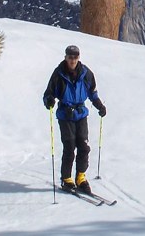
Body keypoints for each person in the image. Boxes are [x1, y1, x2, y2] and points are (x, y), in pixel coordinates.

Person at [43, 45, 107, 195]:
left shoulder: (86, 74)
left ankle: (80, 177)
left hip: (80, 114)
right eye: (70, 57)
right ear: (66, 57)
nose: (72, 60)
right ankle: (66, 179)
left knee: (83, 146)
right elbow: (48, 93)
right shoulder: (58, 74)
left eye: (75, 57)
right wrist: (49, 101)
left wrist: (100, 106)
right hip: (65, 115)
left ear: (78, 58)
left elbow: (92, 93)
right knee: (70, 147)